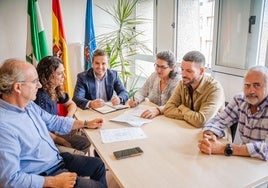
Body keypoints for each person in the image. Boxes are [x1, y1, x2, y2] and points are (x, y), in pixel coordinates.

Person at [0, 59, 107, 188]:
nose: (39, 85)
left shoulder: (29, 105)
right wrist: (52, 182)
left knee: (98, 165)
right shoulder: (4, 126)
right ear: (18, 87)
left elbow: (53, 121)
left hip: (55, 159)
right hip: (43, 174)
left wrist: (85, 123)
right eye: (34, 81)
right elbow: (9, 180)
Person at [198, 66, 268, 161]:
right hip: (245, 161)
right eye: (247, 85)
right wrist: (210, 137)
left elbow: (266, 148)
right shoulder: (240, 100)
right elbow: (219, 121)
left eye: (257, 85)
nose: (251, 90)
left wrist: (225, 148)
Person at [34, 56, 90, 155]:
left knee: (85, 142)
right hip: (46, 139)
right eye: (60, 73)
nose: (64, 76)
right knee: (79, 155)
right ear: (48, 75)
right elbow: (41, 130)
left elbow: (72, 104)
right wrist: (62, 141)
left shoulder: (54, 88)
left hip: (55, 131)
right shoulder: (39, 97)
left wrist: (68, 121)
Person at [164, 50, 225, 128]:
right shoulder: (183, 83)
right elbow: (168, 109)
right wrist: (192, 117)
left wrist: (182, 107)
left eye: (189, 71)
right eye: (182, 69)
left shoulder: (215, 89)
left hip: (214, 134)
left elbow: (200, 121)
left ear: (201, 71)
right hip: (189, 128)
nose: (183, 74)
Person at [128, 50, 180, 119]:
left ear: (172, 67)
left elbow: (173, 104)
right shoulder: (154, 75)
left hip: (168, 118)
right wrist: (136, 99)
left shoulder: (177, 82)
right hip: (152, 116)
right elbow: (142, 91)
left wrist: (158, 110)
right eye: (157, 66)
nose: (158, 70)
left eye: (163, 67)